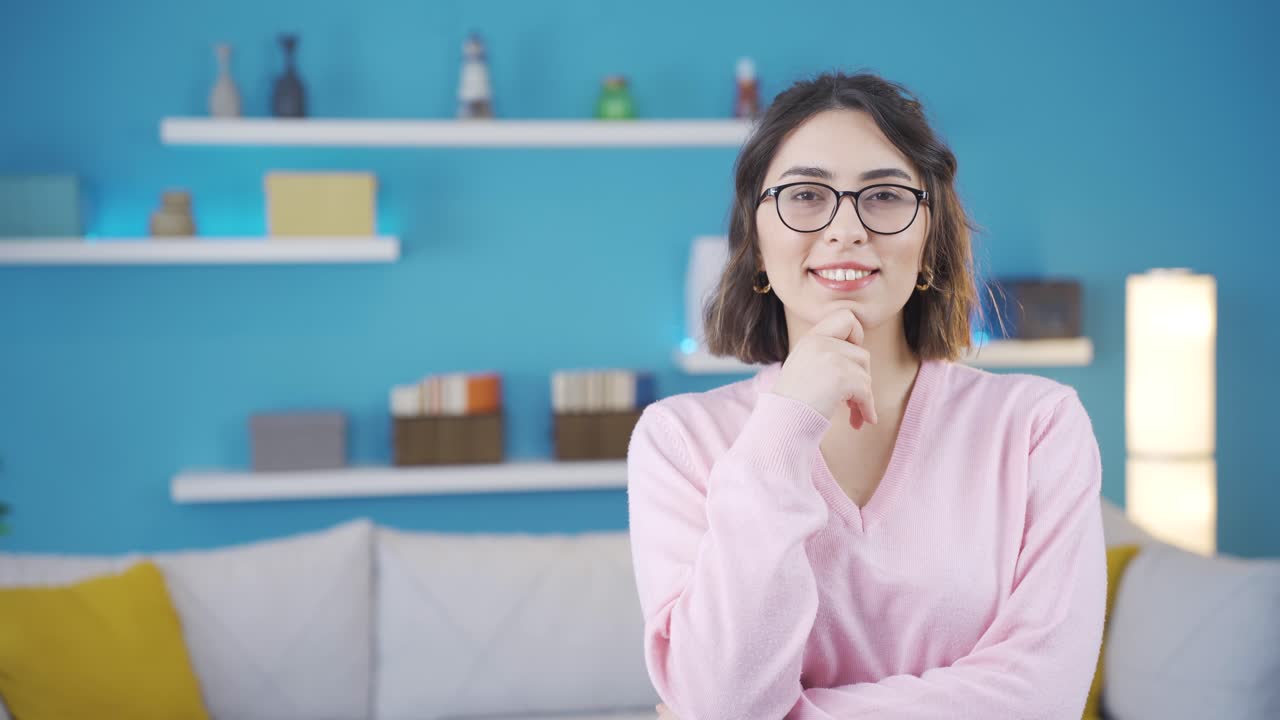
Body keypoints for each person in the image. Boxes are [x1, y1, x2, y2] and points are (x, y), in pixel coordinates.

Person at [626, 70, 1106, 720]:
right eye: (805, 195)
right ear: (757, 244)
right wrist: (784, 428)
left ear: (929, 238)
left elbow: (1042, 696)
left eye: (882, 196)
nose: (846, 229)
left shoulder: (1037, 427)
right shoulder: (678, 441)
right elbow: (721, 700)